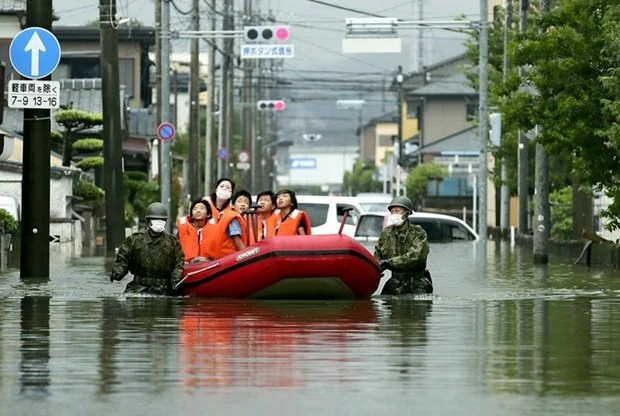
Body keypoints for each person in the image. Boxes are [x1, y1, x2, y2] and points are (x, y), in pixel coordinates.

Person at [109, 202, 185, 295]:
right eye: (155, 220)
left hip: (164, 289)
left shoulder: (172, 242)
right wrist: (118, 271)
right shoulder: (134, 240)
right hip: (138, 287)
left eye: (162, 220)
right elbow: (123, 258)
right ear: (148, 221)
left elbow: (179, 264)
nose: (159, 223)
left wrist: (176, 280)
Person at [374, 196, 433, 295]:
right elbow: (377, 255)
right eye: (392, 212)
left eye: (397, 211)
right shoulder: (387, 233)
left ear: (407, 213)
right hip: (395, 283)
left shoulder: (418, 233)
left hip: (417, 285)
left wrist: (389, 263)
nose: (394, 214)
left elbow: (415, 256)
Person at [207, 190, 250, 259]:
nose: (243, 204)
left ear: (249, 207)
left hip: (220, 256)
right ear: (232, 205)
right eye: (239, 201)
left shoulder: (236, 217)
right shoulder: (233, 218)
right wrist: (248, 256)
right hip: (223, 258)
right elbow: (238, 243)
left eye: (246, 202)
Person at [177, 199, 216, 263]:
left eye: (201, 208)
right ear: (191, 214)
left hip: (208, 265)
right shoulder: (182, 228)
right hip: (187, 266)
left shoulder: (215, 229)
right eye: (195, 209)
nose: (198, 211)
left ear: (208, 214)